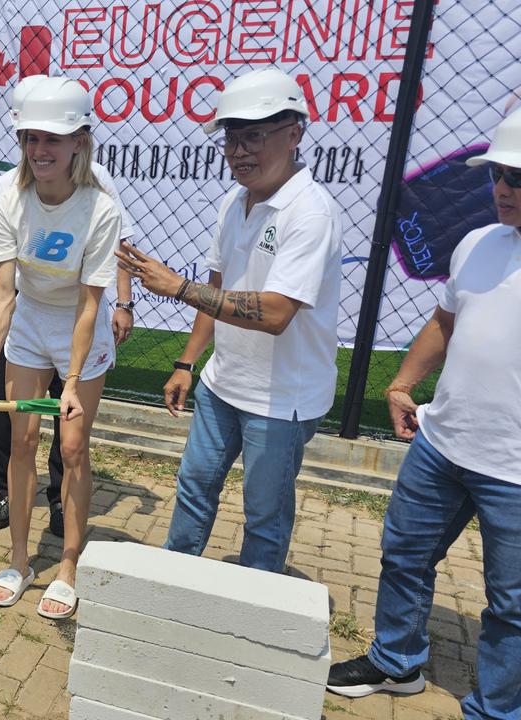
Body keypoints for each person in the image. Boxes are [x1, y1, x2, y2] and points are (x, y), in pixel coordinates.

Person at [326, 98, 521, 720]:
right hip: (442, 445)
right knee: (404, 558)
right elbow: (445, 320)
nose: (501, 187)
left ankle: (494, 709)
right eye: (497, 173)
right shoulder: (478, 242)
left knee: (512, 604)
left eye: (519, 176)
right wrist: (402, 384)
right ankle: (396, 661)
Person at [116, 68, 343, 573]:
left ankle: (255, 602)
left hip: (281, 400)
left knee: (264, 516)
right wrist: (186, 364)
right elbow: (217, 292)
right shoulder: (234, 201)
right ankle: (173, 580)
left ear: (295, 133)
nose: (239, 152)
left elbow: (276, 312)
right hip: (223, 384)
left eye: (254, 137)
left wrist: (178, 287)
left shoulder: (310, 213)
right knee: (194, 486)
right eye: (231, 139)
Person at [0, 76, 122, 619]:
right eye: (31, 138)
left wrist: (71, 383)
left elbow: (89, 305)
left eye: (53, 138)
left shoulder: (100, 208)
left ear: (79, 141)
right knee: (21, 439)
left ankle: (68, 566)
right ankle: (19, 560)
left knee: (73, 448)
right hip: (30, 323)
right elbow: (3, 290)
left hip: (78, 327)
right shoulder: (8, 195)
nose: (39, 150)